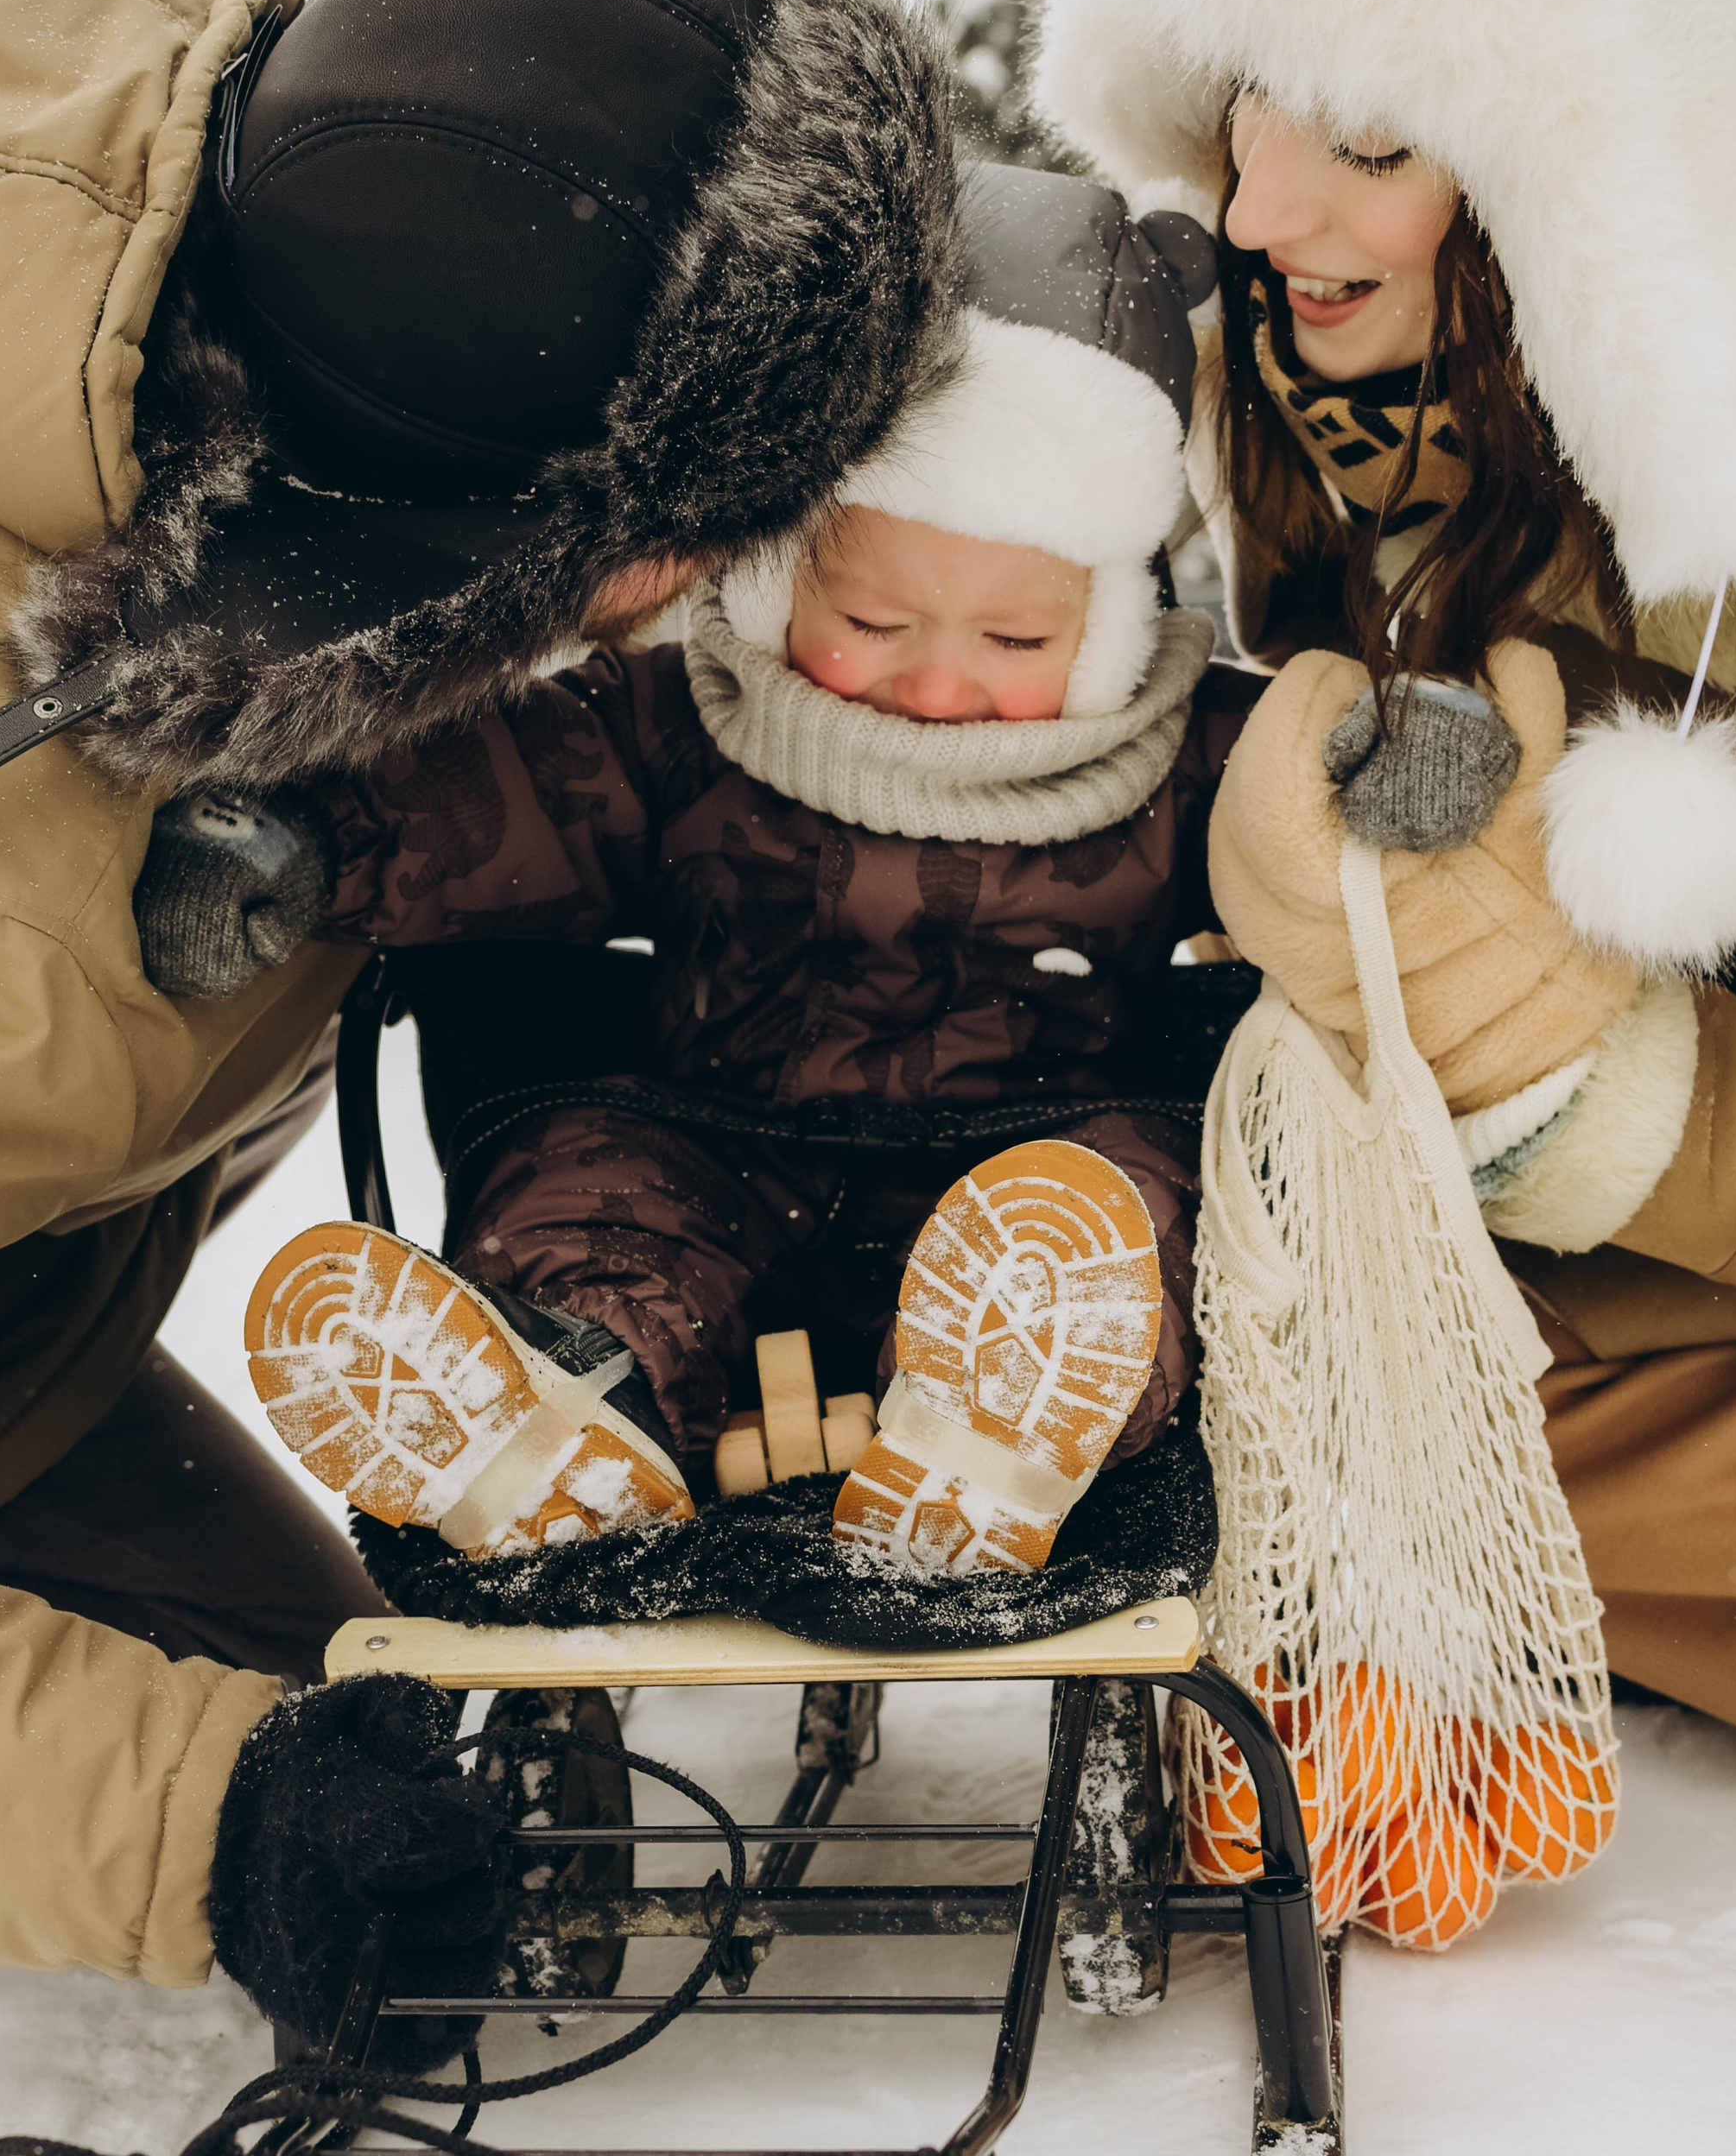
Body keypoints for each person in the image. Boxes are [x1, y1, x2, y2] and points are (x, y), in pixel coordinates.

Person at [0, 0, 981, 2017]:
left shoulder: (210, 231)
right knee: (382, 1868)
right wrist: (197, 1822)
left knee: (465, 1808)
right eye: (712, 539)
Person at [1035, 0, 1736, 1773]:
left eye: (1375, 138)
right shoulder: (1263, 390)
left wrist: (1537, 1050)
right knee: (1278, 1397)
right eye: (1247, 104)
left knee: (1363, 1450)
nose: (1257, 208)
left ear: (1593, 176)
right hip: (1576, 1309)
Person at [211, 171, 1245, 1586]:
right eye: (875, 618)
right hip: (717, 1143)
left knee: (1121, 1204)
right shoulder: (693, 721)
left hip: (1026, 1162)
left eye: (1016, 642)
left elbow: (1314, 811)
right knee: (592, 1184)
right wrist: (309, 843)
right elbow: (510, 794)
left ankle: (1003, 1419)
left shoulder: (1185, 757)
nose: (937, 682)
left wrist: (1389, 777)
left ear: (1119, 622)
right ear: (774, 586)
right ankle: (569, 1406)